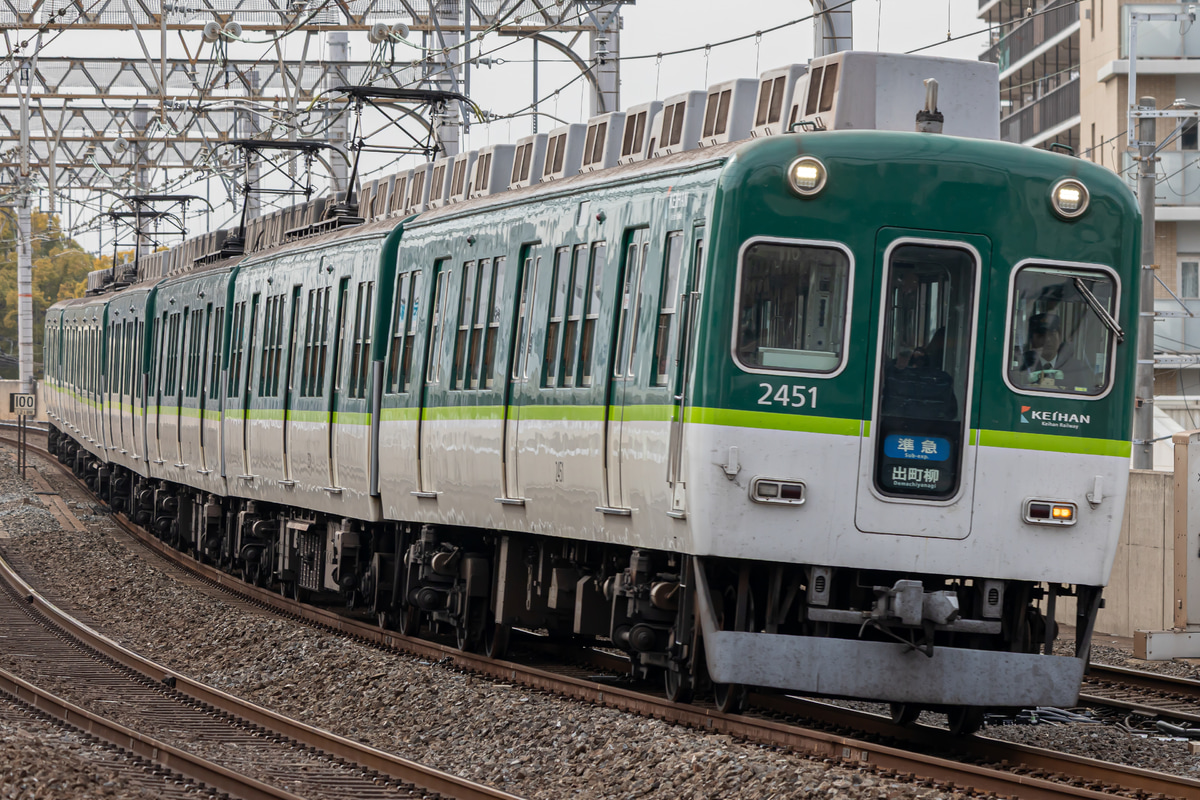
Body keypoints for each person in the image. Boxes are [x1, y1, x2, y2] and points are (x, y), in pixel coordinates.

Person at [1021, 313, 1093, 391]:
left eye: (1052, 334)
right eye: (1042, 336)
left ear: (1060, 337)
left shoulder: (1076, 368)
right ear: (1032, 340)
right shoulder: (1024, 365)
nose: (1048, 340)